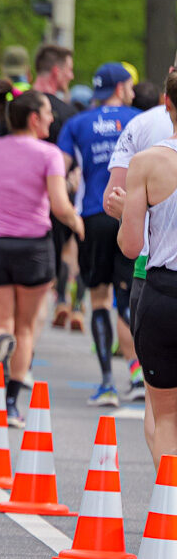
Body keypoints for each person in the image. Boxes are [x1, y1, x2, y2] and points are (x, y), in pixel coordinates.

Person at [0, 83, 85, 426]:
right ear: (34, 119)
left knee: (0, 324)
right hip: (34, 246)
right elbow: (60, 206)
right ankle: (12, 406)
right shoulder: (49, 155)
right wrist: (76, 221)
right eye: (47, 113)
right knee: (27, 328)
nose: (52, 118)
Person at [57, 62, 141, 406]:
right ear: (120, 87)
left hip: (93, 214)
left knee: (99, 299)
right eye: (130, 85)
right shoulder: (141, 118)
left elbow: (59, 169)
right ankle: (137, 375)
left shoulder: (77, 123)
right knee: (130, 296)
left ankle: (107, 382)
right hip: (132, 213)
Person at [118, 70, 177, 469]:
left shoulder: (148, 162)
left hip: (164, 294)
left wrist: (129, 212)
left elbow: (131, 245)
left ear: (167, 103)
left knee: (166, 416)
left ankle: (168, 514)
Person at [29, 45, 83, 331]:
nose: (72, 75)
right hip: (56, 195)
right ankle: (60, 301)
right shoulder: (68, 112)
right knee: (59, 254)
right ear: (56, 71)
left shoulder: (18, 104)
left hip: (17, 197)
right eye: (69, 69)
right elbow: (77, 159)